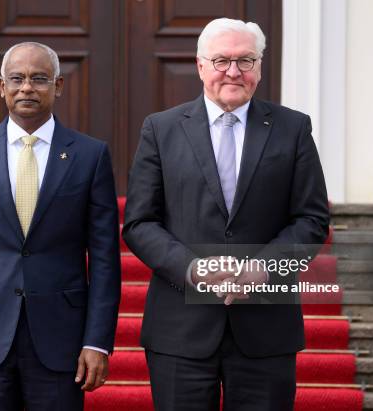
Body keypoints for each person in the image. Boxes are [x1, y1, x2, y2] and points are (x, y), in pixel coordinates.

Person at [122, 18, 330, 411]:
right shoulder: (161, 129)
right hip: (180, 330)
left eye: (246, 60)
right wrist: (192, 269)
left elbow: (312, 219)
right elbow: (139, 222)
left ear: (260, 67)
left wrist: (262, 269)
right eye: (221, 60)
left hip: (265, 329)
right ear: (201, 66)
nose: (233, 71)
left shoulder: (293, 128)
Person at [0, 42, 121, 411]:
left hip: (61, 338)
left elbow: (104, 259)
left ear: (59, 85)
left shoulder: (90, 155)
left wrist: (97, 342)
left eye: (39, 79)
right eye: (16, 79)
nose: (27, 88)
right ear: (1, 86)